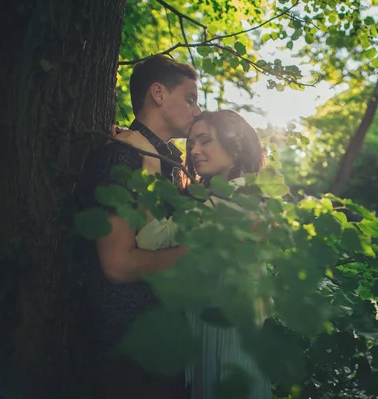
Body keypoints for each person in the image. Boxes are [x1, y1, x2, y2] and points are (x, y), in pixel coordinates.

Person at [115, 110, 272, 399]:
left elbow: (153, 241)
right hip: (211, 334)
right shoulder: (213, 199)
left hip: (227, 339)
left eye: (205, 141)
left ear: (236, 147)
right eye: (191, 144)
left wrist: (149, 158)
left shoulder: (238, 199)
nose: (195, 150)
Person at [74, 55, 200, 399]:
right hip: (128, 347)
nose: (197, 110)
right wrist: (195, 255)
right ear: (158, 93)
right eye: (190, 99)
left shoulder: (170, 163)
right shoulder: (122, 156)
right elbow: (117, 265)